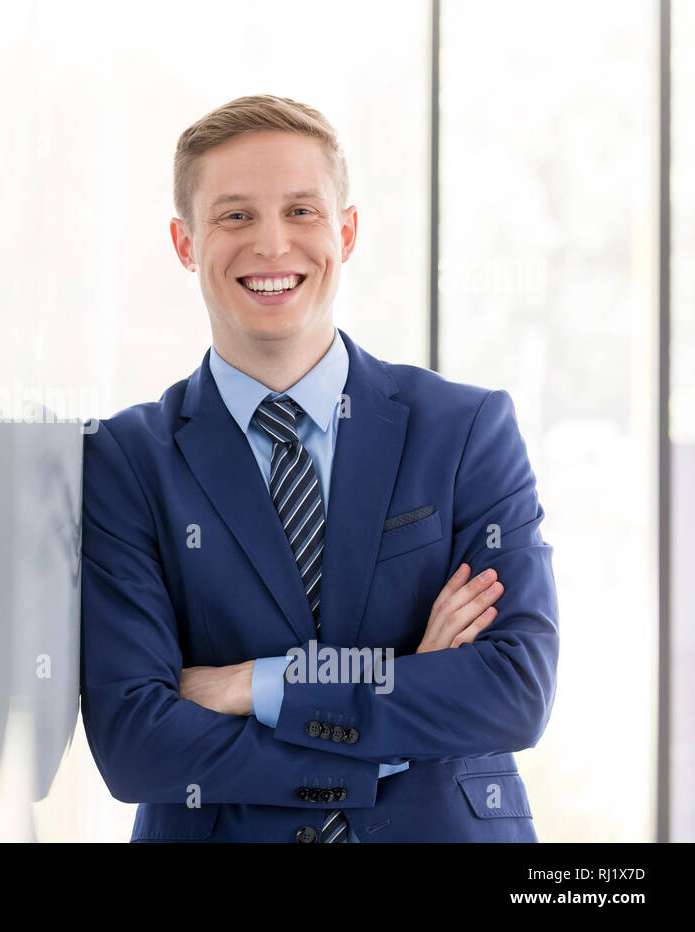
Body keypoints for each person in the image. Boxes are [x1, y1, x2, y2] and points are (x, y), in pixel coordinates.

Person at [79, 94, 559, 842]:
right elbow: (136, 743)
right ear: (184, 242)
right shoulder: (127, 459)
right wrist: (399, 704)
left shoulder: (465, 429)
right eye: (235, 215)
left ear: (348, 230)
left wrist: (252, 685)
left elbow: (512, 691)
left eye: (301, 210)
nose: (273, 245)